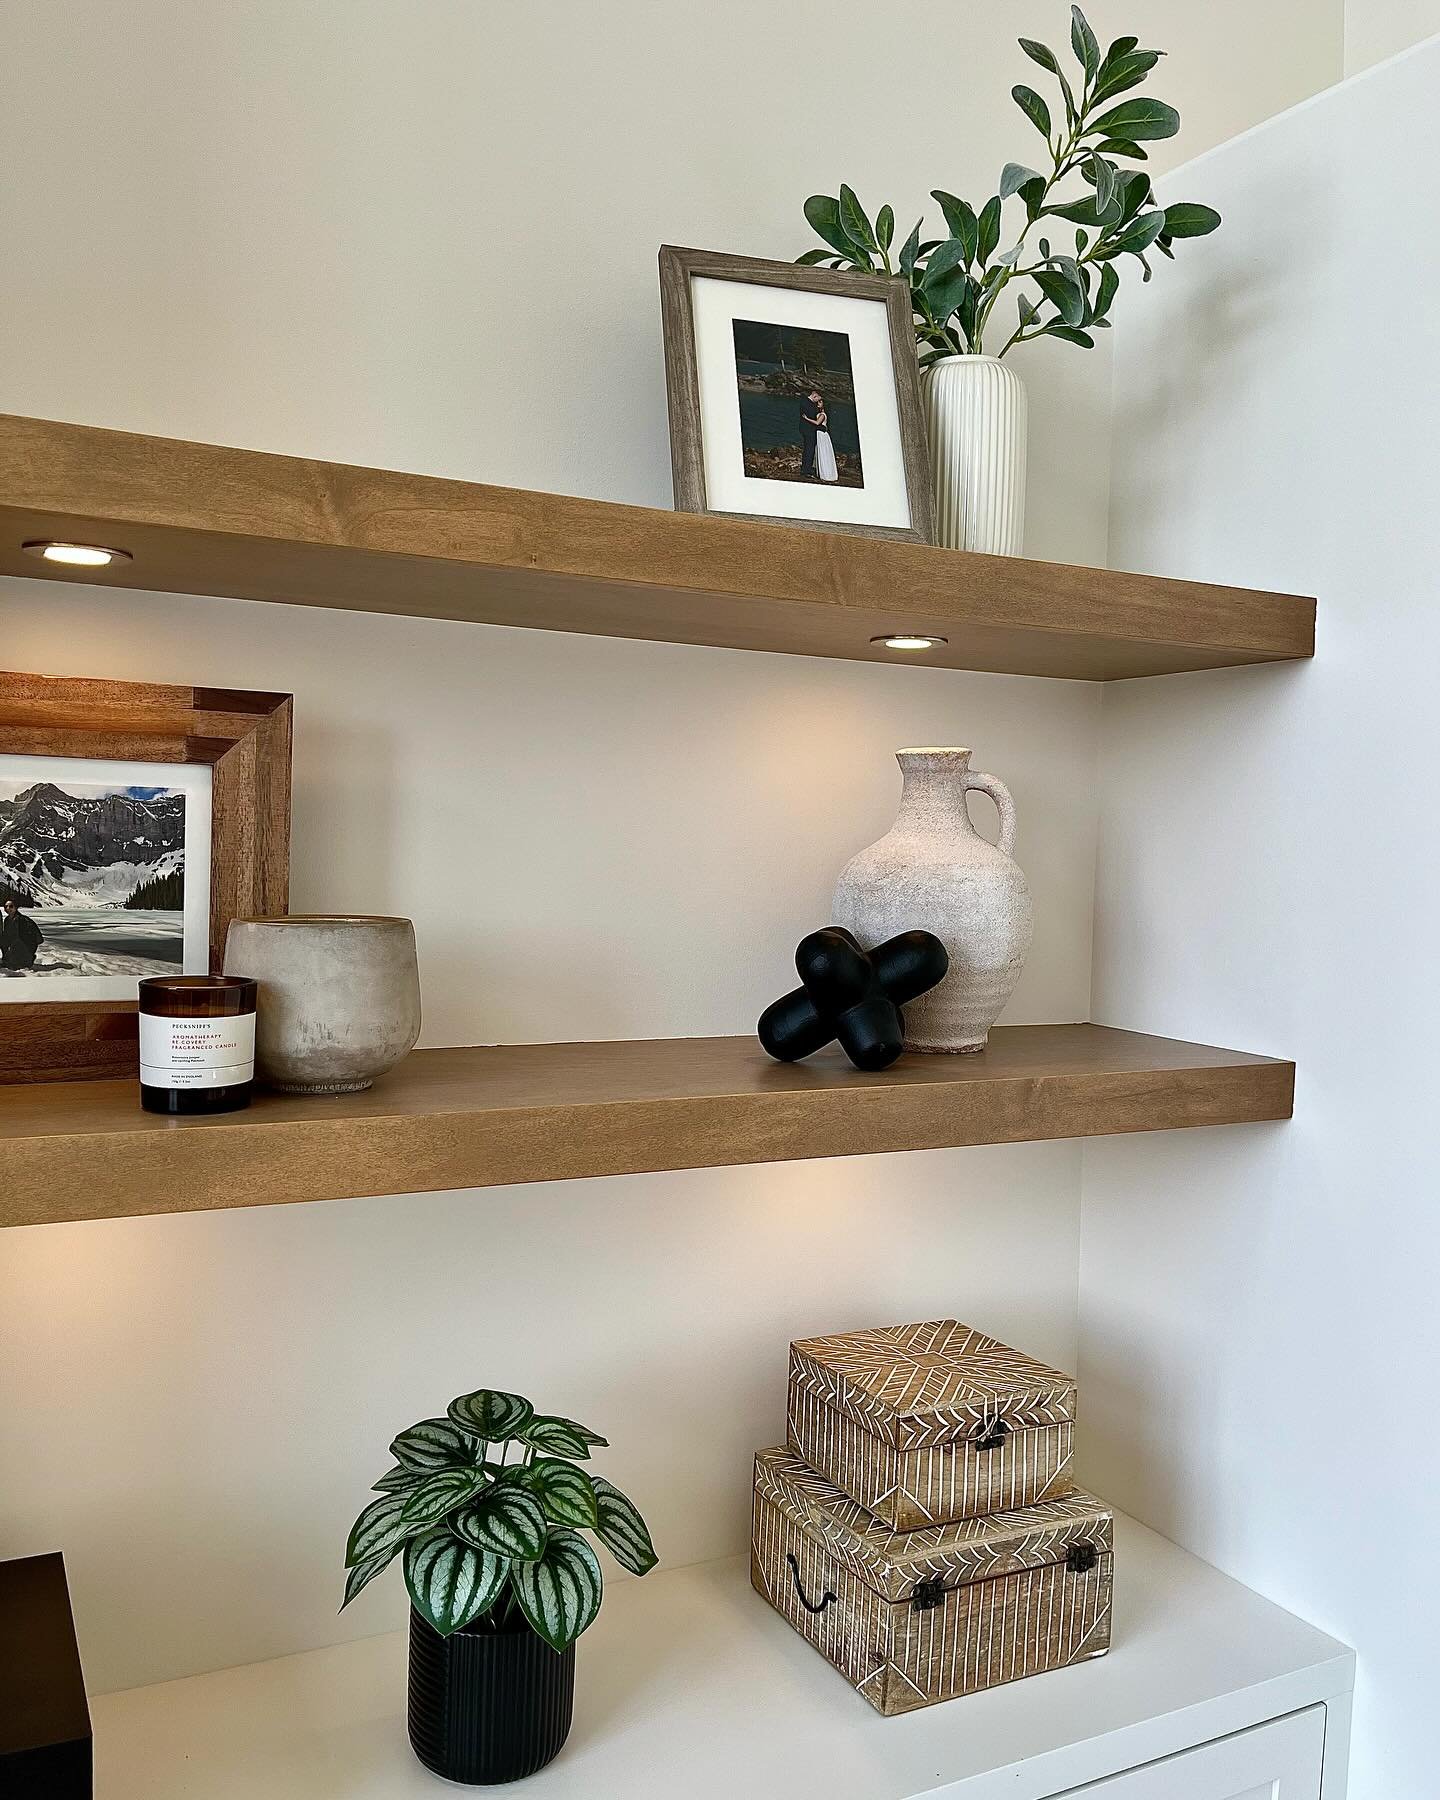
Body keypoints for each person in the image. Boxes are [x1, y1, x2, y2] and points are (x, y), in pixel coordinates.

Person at [0, 897, 43, 972]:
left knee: (16, 943)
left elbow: (36, 937)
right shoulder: (7, 920)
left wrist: (30, 950)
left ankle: (25, 960)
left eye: (11, 906)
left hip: (24, 948)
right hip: (14, 948)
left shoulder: (23, 920)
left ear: (16, 907)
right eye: (6, 906)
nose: (8, 908)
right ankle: (8, 959)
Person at [812, 396, 839, 483]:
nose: (818, 403)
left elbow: (817, 423)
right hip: (819, 434)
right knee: (821, 452)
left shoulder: (823, 415)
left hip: (822, 435)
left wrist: (806, 418)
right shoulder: (820, 413)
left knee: (823, 452)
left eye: (820, 402)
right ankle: (823, 472)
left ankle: (826, 473)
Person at [799, 390, 823, 477]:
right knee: (809, 450)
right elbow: (812, 416)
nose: (818, 402)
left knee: (808, 449)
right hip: (808, 430)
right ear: (814, 395)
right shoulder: (806, 403)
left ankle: (806, 468)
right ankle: (806, 470)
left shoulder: (806, 402)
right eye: (818, 399)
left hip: (807, 429)